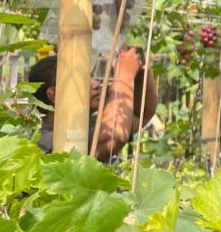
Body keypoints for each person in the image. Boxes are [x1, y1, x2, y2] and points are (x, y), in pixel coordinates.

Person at [28, 46, 158, 163]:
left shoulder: (91, 125)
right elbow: (112, 137)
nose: (96, 84)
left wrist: (140, 68)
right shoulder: (49, 141)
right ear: (54, 95)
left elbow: (141, 114)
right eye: (83, 79)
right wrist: (124, 74)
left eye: (91, 77)